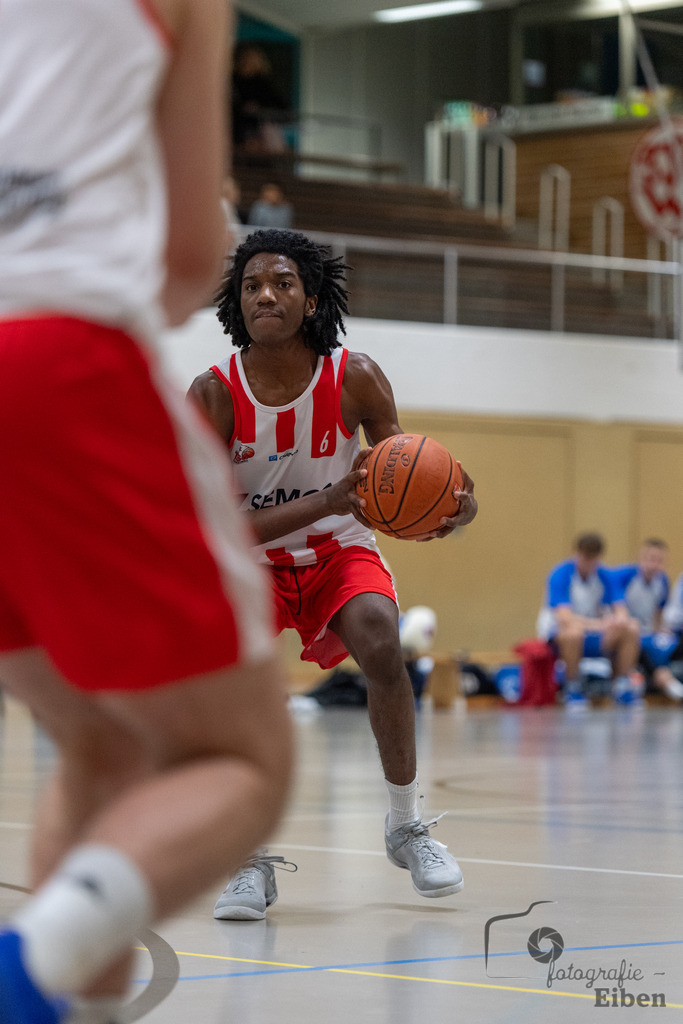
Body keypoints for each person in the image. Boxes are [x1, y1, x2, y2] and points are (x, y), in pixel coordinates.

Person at [0, 4, 292, 1024]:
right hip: (49, 356)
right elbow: (180, 256)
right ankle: (31, 967)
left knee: (100, 740)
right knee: (241, 758)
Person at [187, 228, 478, 920]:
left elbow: (402, 480)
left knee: (381, 637)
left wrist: (453, 511)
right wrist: (324, 499)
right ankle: (247, 856)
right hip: (247, 560)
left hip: (338, 548)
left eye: (283, 282)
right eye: (252, 283)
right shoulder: (212, 395)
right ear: (236, 301)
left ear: (311, 299)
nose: (265, 293)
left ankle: (405, 826)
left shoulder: (356, 376)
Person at [538, 532, 641, 704]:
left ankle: (622, 685)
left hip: (593, 636)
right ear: (576, 554)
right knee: (573, 632)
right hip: (560, 637)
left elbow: (621, 610)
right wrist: (600, 624)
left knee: (631, 628)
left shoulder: (604, 575)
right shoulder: (561, 574)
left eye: (593, 559)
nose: (589, 563)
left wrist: (619, 620)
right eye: (586, 558)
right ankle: (572, 687)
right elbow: (565, 618)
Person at [611, 539, 683, 702]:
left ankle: (661, 677)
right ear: (641, 558)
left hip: (647, 632)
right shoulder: (624, 576)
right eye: (651, 559)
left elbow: (658, 613)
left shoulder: (662, 581)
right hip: (625, 630)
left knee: (667, 643)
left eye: (659, 561)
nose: (654, 564)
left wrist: (660, 632)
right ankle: (661, 678)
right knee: (633, 632)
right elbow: (618, 609)